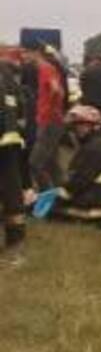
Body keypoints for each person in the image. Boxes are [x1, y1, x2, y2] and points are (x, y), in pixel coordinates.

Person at [48, 104, 101, 220]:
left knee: (57, 213)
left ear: (94, 127)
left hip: (96, 200)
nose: (78, 130)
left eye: (83, 126)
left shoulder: (92, 148)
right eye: (77, 126)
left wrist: (59, 200)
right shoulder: (98, 144)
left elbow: (79, 181)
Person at [26, 45, 66, 190]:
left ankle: (46, 195)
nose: (24, 56)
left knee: (35, 163)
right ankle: (62, 193)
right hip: (51, 121)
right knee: (52, 164)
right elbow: (59, 91)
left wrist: (49, 110)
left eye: (26, 52)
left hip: (49, 122)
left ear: (36, 52)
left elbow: (56, 90)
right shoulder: (47, 68)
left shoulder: (45, 68)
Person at [0, 48, 28, 255]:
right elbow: (20, 106)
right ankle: (15, 242)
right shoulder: (7, 73)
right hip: (10, 141)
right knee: (11, 190)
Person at [79, 54, 101, 121]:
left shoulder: (86, 71)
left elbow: (81, 86)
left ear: (93, 60)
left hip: (87, 102)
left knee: (86, 122)